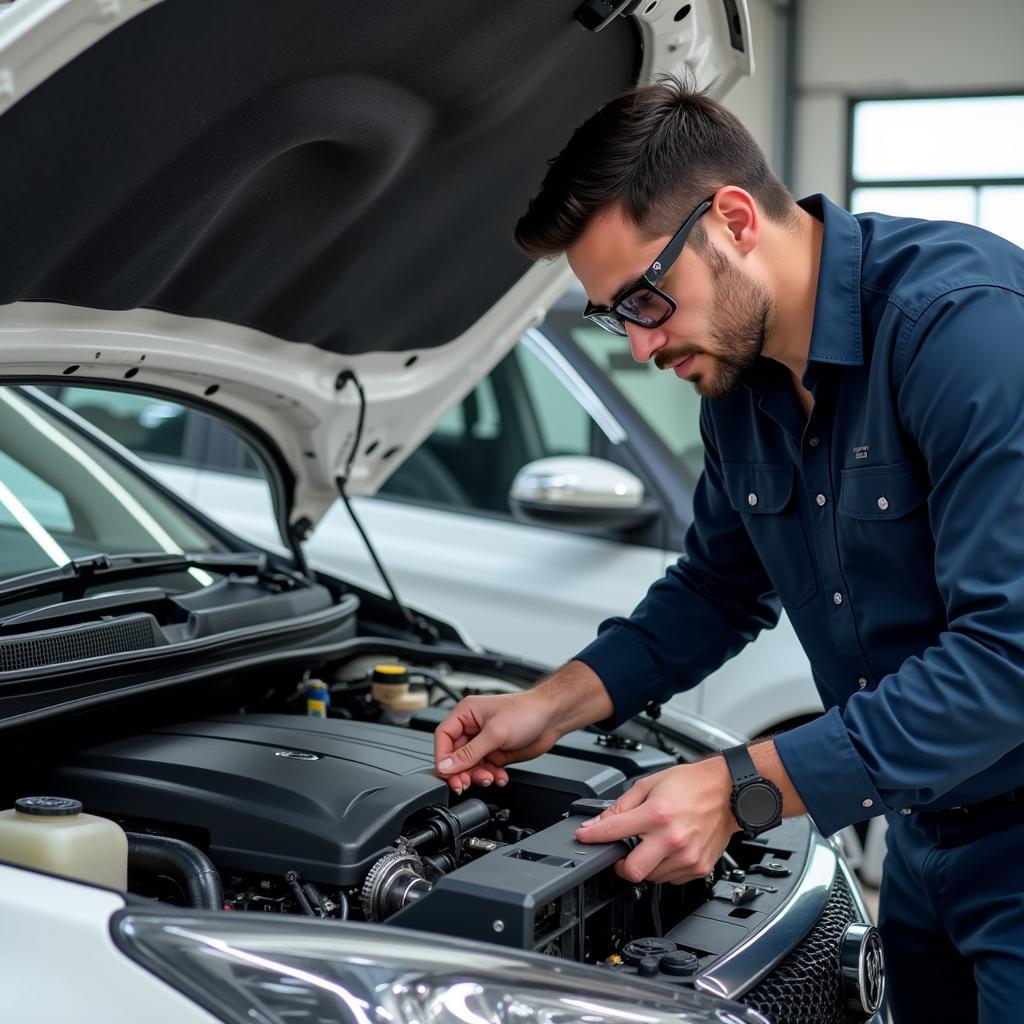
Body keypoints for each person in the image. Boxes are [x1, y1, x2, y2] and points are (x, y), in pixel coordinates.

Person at [433, 76, 1024, 1023]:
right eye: (614, 315)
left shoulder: (967, 331)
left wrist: (741, 789)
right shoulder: (742, 384)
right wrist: (549, 706)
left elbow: (1009, 661)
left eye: (645, 299)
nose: (638, 344)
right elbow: (715, 589)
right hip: (921, 828)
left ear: (736, 219)